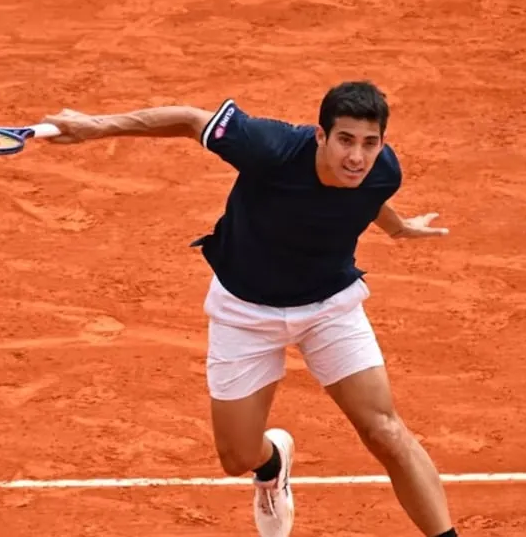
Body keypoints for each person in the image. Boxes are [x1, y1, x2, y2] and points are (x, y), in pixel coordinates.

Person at [40, 81, 458, 537]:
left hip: (328, 306)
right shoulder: (269, 147)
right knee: (236, 457)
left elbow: (368, 195)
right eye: (345, 140)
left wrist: (398, 228)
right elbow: (188, 119)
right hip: (245, 310)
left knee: (385, 430)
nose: (356, 156)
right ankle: (272, 464)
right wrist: (95, 126)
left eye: (369, 143)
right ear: (320, 136)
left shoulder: (383, 171)